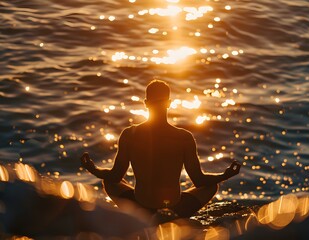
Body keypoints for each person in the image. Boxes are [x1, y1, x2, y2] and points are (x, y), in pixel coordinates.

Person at [81, 80, 241, 218]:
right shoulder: (184, 137)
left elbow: (115, 176)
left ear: (146, 103)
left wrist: (93, 168)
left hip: (140, 207)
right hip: (176, 209)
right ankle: (173, 218)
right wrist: (225, 175)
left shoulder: (130, 134)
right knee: (212, 186)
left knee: (108, 182)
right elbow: (199, 180)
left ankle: (143, 217)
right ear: (169, 103)